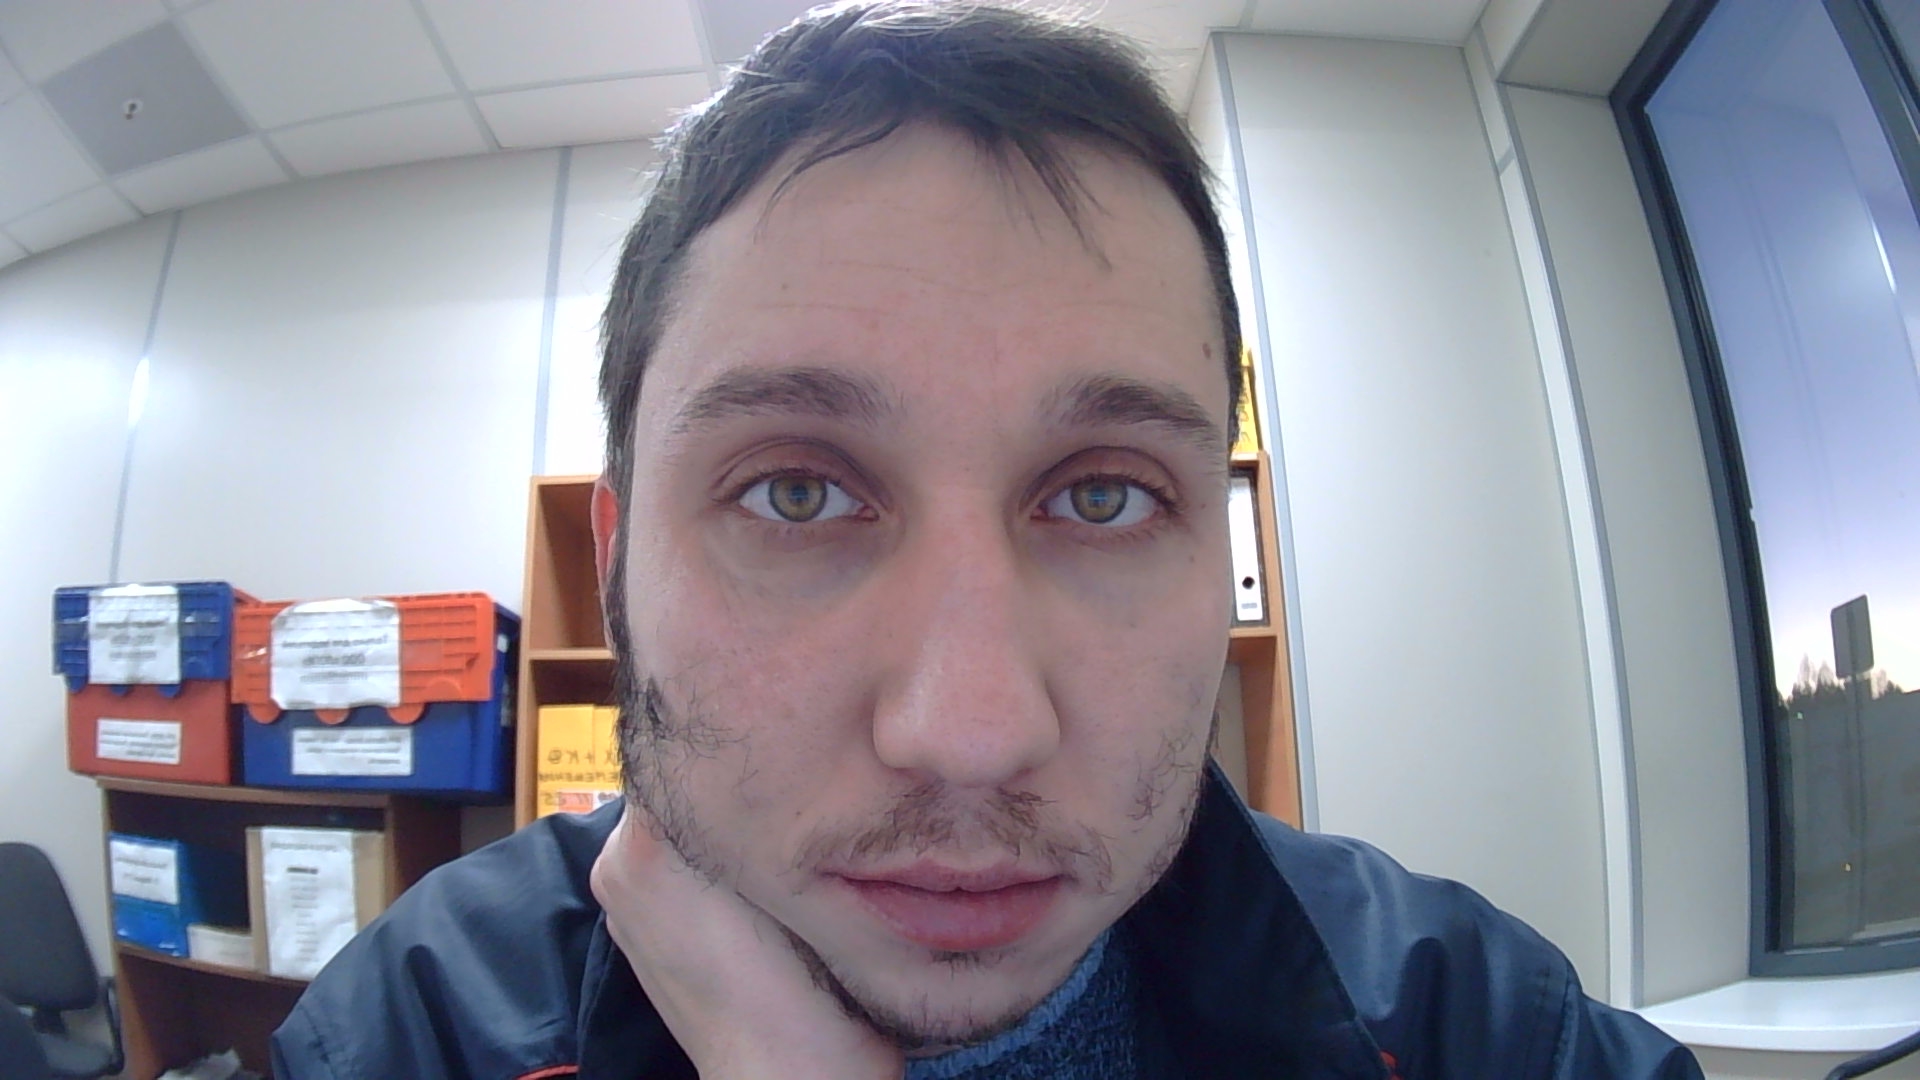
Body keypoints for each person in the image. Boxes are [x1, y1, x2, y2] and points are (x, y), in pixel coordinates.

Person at [272, 2, 1704, 1077]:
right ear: (616, 564)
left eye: (1104, 496)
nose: (971, 734)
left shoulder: (1464, 1020)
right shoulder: (414, 1032)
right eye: (794, 493)